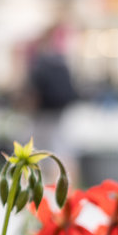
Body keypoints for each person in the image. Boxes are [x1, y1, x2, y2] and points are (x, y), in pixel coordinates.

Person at [24, 22, 78, 165]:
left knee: (37, 148)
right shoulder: (61, 60)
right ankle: (65, 174)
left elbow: (34, 88)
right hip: (60, 110)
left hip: (43, 112)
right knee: (60, 147)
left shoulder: (41, 60)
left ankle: (48, 173)